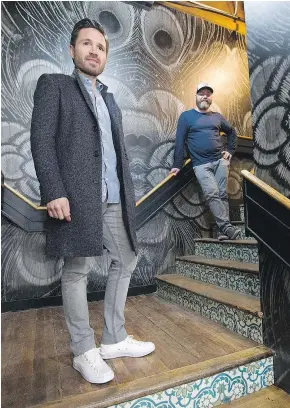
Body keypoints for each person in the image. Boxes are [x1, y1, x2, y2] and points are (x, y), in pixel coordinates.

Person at [30, 18, 155, 385]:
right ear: (72, 50)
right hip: (77, 198)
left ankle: (114, 338)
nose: (93, 51)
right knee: (78, 269)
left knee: (127, 257)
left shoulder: (110, 99)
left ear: (105, 55)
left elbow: (114, 152)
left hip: (114, 197)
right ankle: (84, 350)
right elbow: (42, 141)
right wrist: (54, 190)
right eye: (86, 44)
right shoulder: (55, 86)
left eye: (100, 47)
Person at [170, 83, 241, 240]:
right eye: (201, 93)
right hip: (201, 164)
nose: (205, 96)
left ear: (211, 98)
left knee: (222, 195)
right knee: (212, 194)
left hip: (220, 162)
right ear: (196, 96)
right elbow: (180, 142)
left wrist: (230, 151)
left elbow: (231, 132)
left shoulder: (217, 117)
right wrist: (177, 164)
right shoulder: (186, 117)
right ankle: (228, 228)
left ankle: (223, 232)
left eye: (208, 94)